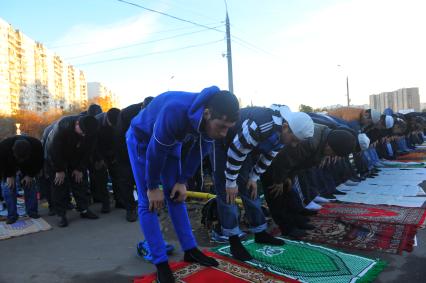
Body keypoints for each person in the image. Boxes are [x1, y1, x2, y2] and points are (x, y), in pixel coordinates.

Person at [127, 86, 239, 283]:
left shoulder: (208, 119)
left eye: (228, 127)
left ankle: (190, 249)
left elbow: (200, 150)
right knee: (148, 202)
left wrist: (182, 181)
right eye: (221, 126)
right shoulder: (174, 111)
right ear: (207, 114)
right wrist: (153, 186)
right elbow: (155, 152)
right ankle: (161, 263)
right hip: (142, 141)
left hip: (170, 141)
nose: (224, 133)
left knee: (176, 196)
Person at [211, 104, 314, 261]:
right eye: (293, 140)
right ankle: (233, 240)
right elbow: (235, 151)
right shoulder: (262, 125)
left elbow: (269, 155)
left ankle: (260, 232)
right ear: (286, 127)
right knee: (227, 193)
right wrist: (231, 181)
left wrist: (254, 177)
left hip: (243, 148)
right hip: (225, 144)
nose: (293, 145)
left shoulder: (282, 133)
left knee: (250, 189)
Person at [44, 115, 99, 227]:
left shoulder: (91, 129)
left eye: (86, 134)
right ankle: (61, 214)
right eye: (82, 132)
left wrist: (79, 168)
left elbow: (88, 151)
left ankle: (83, 209)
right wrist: (59, 170)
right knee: (59, 184)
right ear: (77, 124)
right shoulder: (61, 127)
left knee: (80, 180)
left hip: (76, 155)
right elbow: (53, 150)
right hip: (56, 156)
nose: (84, 135)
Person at [114, 96, 153, 222]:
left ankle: (150, 205)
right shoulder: (126, 114)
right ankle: (130, 209)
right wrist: (128, 159)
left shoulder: (158, 113)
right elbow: (120, 138)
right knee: (127, 180)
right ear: (142, 108)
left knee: (146, 178)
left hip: (144, 149)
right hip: (124, 150)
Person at [0, 136, 43, 224]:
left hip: (28, 166)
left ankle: (32, 212)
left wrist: (30, 175)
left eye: (23, 158)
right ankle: (12, 215)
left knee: (30, 185)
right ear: (12, 150)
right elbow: (1, 164)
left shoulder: (36, 145)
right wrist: (9, 175)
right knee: (8, 188)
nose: (21, 160)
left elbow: (39, 162)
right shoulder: (3, 147)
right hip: (9, 165)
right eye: (19, 158)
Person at [90, 108, 121, 213]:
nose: (113, 126)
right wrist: (99, 159)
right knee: (101, 178)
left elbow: (119, 139)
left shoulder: (119, 119)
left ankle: (120, 201)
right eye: (111, 124)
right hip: (98, 152)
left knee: (117, 176)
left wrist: (115, 156)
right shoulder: (96, 122)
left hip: (112, 151)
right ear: (107, 118)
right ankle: (105, 203)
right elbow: (93, 144)